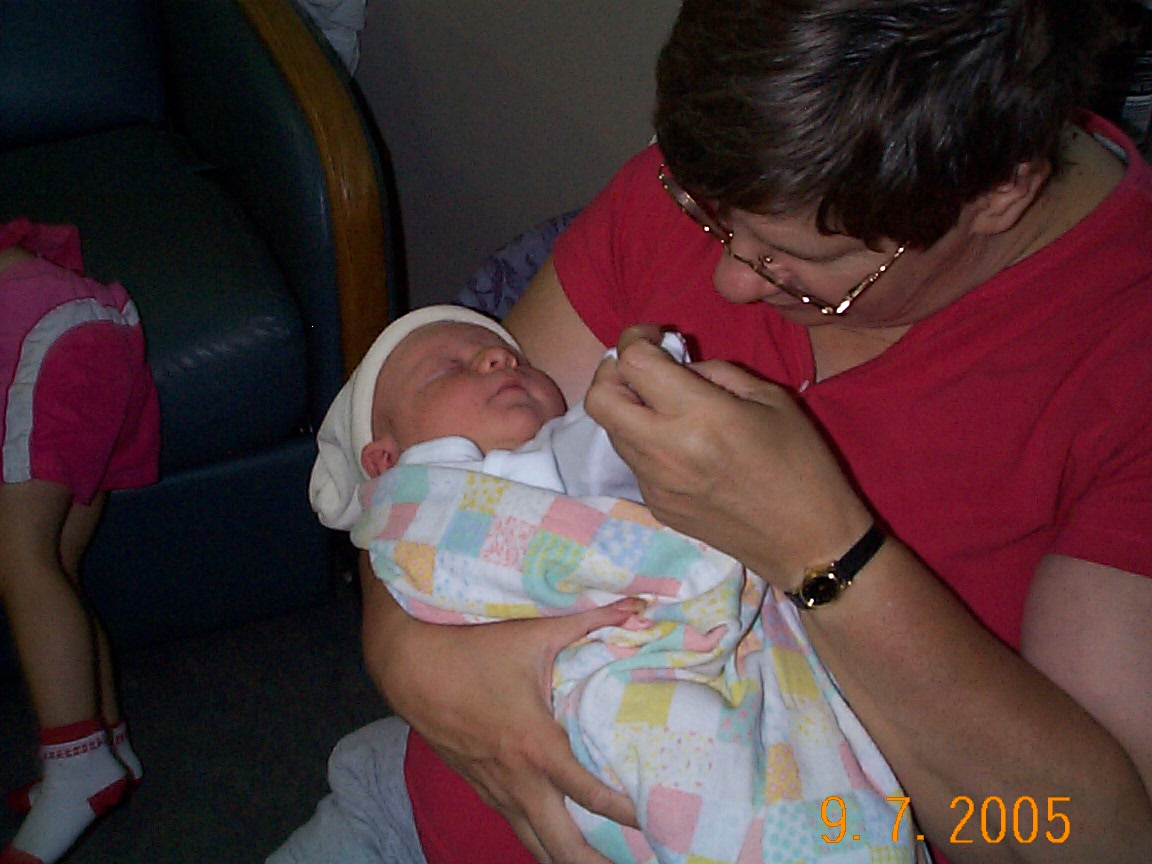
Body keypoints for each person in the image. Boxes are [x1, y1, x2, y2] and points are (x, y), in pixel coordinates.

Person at [341, 2, 1152, 864]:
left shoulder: (1125, 359)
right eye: (710, 218)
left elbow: (1082, 840)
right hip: (423, 806)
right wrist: (410, 663)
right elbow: (423, 476)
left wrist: (823, 550)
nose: (729, 280)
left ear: (1000, 192)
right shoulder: (745, 164)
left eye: (793, 260)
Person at [284, 305, 921, 863]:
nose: (496, 358)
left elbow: (620, 435)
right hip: (404, 792)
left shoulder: (560, 448)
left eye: (511, 358)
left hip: (651, 662)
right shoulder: (420, 502)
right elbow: (403, 546)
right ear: (385, 461)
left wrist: (644, 375)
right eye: (446, 370)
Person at [0, 219, 161, 864]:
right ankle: (108, 747)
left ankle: (77, 764)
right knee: (55, 564)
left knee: (19, 556)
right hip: (94, 323)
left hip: (38, 330)